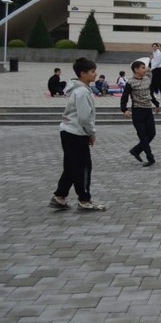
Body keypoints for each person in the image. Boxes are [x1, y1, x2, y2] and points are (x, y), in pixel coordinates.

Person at [49, 57, 106, 211]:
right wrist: (91, 133)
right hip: (75, 133)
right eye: (92, 71)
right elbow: (84, 117)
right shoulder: (81, 92)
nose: (95, 74)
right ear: (82, 74)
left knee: (71, 166)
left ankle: (60, 196)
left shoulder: (80, 89)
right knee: (83, 166)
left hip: (70, 131)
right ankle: (84, 199)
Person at [120, 60, 160, 167]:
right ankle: (150, 158)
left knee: (151, 133)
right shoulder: (130, 82)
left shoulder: (147, 79)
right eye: (142, 68)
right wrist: (124, 109)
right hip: (137, 112)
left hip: (148, 110)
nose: (145, 69)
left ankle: (136, 150)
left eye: (145, 67)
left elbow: (150, 93)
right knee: (143, 135)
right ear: (136, 70)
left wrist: (156, 104)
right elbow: (124, 97)